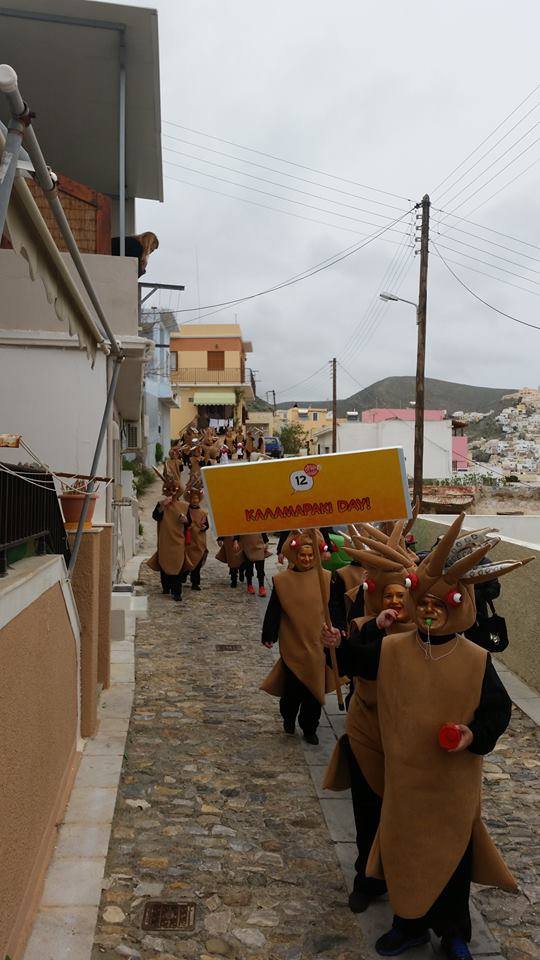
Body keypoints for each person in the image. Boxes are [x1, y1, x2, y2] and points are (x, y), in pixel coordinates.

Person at [322, 514, 532, 960]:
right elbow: (358, 662)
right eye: (426, 603)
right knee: (405, 853)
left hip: (453, 783)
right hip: (405, 781)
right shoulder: (394, 648)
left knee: (452, 857)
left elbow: (496, 711)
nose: (431, 611)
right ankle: (409, 926)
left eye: (441, 604)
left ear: (458, 606)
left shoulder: (475, 658)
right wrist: (341, 642)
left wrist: (471, 734)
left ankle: (454, 933)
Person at [323, 521, 418, 912]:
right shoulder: (364, 627)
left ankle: (404, 875)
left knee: (405, 813)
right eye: (388, 595)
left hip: (408, 738)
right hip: (368, 732)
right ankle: (368, 878)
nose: (394, 603)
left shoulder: (427, 633)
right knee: (367, 811)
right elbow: (357, 663)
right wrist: (339, 644)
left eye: (401, 596)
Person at [260, 530, 345, 745]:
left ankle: (310, 727)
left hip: (317, 640)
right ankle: (288, 716)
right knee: (293, 687)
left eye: (310, 555)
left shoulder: (326, 578)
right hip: (293, 640)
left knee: (313, 688)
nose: (306, 559)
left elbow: (335, 607)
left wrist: (338, 628)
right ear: (295, 555)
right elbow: (274, 609)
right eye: (302, 555)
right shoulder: (282, 581)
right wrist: (269, 634)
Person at [147, 480, 191, 601]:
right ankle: (166, 587)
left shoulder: (184, 506)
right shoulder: (161, 504)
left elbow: (189, 523)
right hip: (165, 539)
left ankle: (177, 592)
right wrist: (162, 506)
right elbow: (156, 516)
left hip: (178, 541)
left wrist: (186, 521)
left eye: (174, 489)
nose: (172, 492)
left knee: (177, 564)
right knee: (164, 562)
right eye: (169, 489)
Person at [182, 487, 209, 591]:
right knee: (187, 560)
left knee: (197, 562)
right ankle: (183, 575)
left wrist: (204, 527)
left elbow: (206, 525)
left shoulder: (203, 513)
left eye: (196, 498)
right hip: (188, 541)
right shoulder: (185, 511)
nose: (195, 500)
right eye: (193, 498)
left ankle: (195, 583)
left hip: (199, 541)